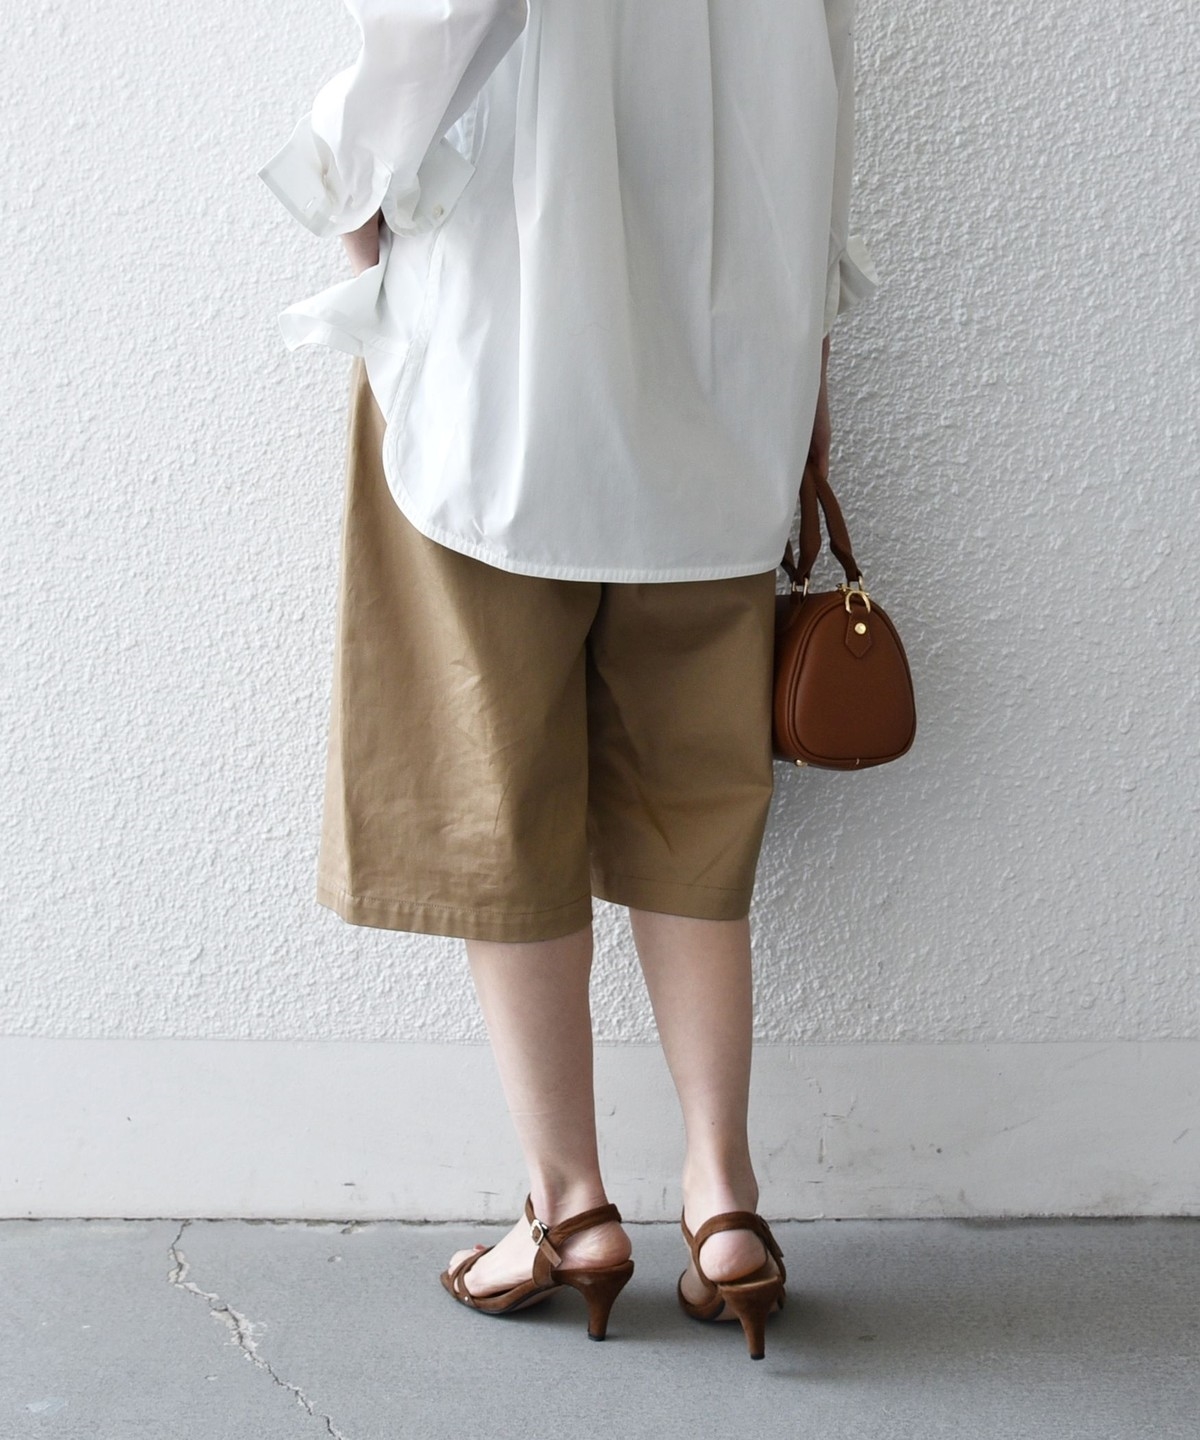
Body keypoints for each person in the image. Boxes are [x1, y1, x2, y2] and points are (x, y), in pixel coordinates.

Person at [258, 0, 877, 1360]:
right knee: (696, 795)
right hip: (726, 362)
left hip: (505, 352)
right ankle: (724, 1203)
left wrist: (345, 186)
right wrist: (808, 343)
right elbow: (826, 64)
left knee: (498, 785)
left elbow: (443, 16)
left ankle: (570, 1208)